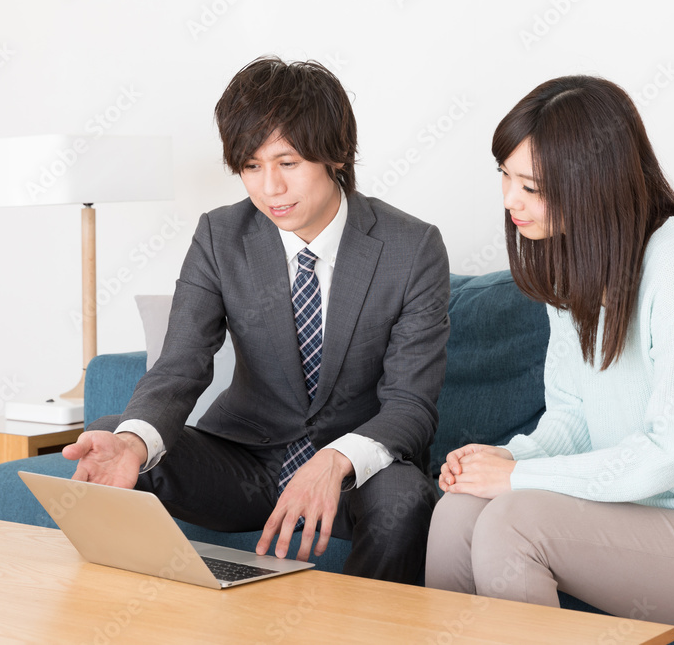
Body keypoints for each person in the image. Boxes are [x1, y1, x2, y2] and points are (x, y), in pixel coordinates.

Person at [425, 75, 674, 629]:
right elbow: (573, 420)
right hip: (642, 511)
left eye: (531, 186)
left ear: (592, 182)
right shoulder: (570, 262)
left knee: (514, 521)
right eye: (505, 176)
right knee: (458, 509)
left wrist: (516, 481)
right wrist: (508, 460)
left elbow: (671, 455)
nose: (510, 199)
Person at [63, 56, 449, 585]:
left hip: (351, 471)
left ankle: (361, 626)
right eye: (251, 166)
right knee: (114, 438)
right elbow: (180, 366)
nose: (270, 188)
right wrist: (133, 442)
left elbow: (411, 405)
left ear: (336, 154)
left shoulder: (411, 247)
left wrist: (334, 460)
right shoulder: (221, 236)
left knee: (406, 498)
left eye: (287, 162)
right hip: (244, 463)